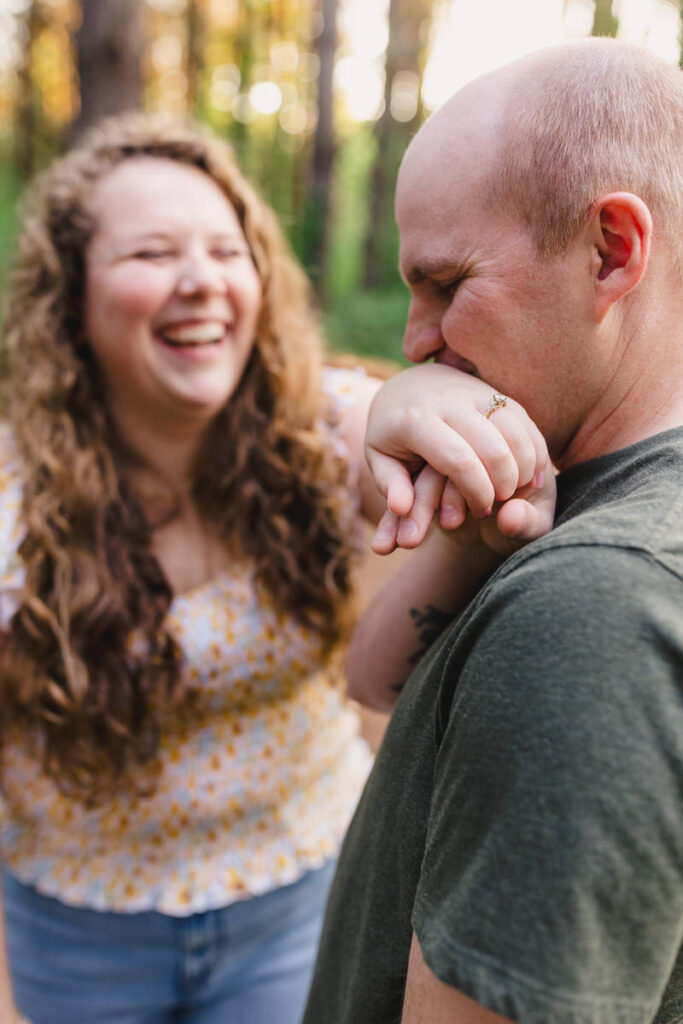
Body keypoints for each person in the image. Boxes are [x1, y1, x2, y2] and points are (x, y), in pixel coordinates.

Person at [0, 113, 554, 1024]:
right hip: (75, 939)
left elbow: (402, 422)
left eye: (226, 248)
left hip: (300, 901)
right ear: (70, 296)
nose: (200, 280)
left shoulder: (314, 427)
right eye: (150, 253)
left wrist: (419, 396)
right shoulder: (19, 506)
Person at [303, 37, 683, 1024]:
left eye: (442, 283)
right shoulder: (580, 513)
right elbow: (378, 681)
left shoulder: (592, 610)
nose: (413, 340)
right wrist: (471, 539)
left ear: (610, 251)